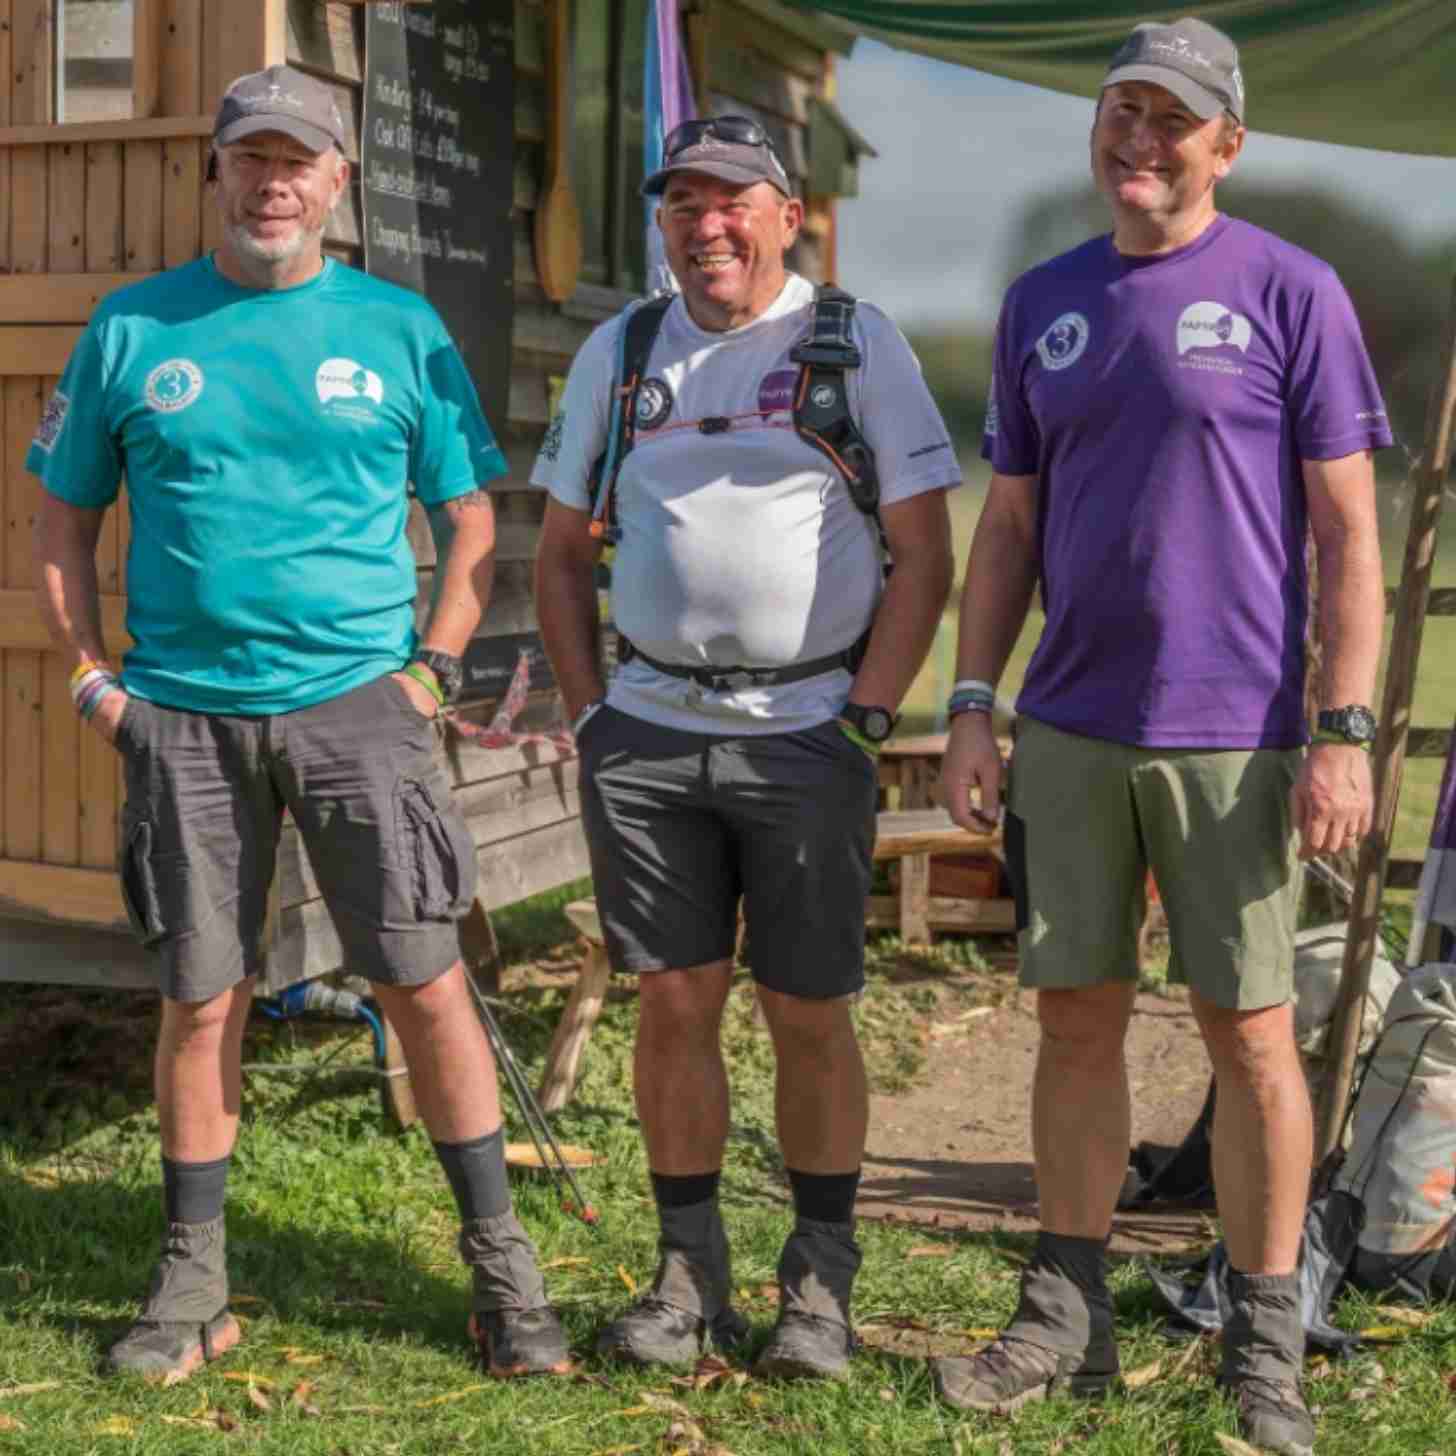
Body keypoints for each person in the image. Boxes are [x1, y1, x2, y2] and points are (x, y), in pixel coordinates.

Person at [29, 65, 568, 1383]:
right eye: (252, 158)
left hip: (359, 714)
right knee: (198, 996)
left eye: (299, 160)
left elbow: (471, 519)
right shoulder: (133, 328)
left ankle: (503, 1271)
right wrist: (93, 680)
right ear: (213, 171)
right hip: (185, 721)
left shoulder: (397, 328)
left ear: (339, 181)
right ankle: (192, 1284)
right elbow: (60, 522)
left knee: (423, 981)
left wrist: (430, 673)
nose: (273, 183)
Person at [934, 18, 1389, 1455]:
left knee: (1248, 1035)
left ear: (1226, 146)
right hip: (1071, 727)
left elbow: (1350, 534)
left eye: (1172, 120)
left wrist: (1342, 729)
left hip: (1236, 737)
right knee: (1072, 1018)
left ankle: (1265, 1344)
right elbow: (1007, 529)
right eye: (1121, 111)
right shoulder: (1043, 301)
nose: (1139, 139)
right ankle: (1065, 1318)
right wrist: (970, 702)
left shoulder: (1292, 289)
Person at [532, 116, 959, 1379]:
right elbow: (558, 551)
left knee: (807, 1009)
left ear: (787, 214)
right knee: (673, 1002)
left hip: (805, 732)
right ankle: (688, 1275)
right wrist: (588, 710)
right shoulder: (621, 349)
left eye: (732, 201)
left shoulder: (856, 343)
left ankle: (818, 1285)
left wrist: (868, 716)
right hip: (648, 733)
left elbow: (925, 553)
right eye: (682, 204)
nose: (705, 225)